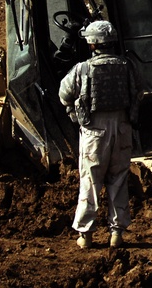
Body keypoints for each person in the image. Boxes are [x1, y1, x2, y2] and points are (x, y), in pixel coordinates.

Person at [58, 20, 140, 250]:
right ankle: (117, 234)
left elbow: (64, 94)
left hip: (94, 131)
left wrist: (75, 115)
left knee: (91, 182)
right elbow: (138, 92)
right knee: (119, 180)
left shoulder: (82, 69)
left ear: (92, 45)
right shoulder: (128, 66)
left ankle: (86, 235)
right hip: (123, 129)